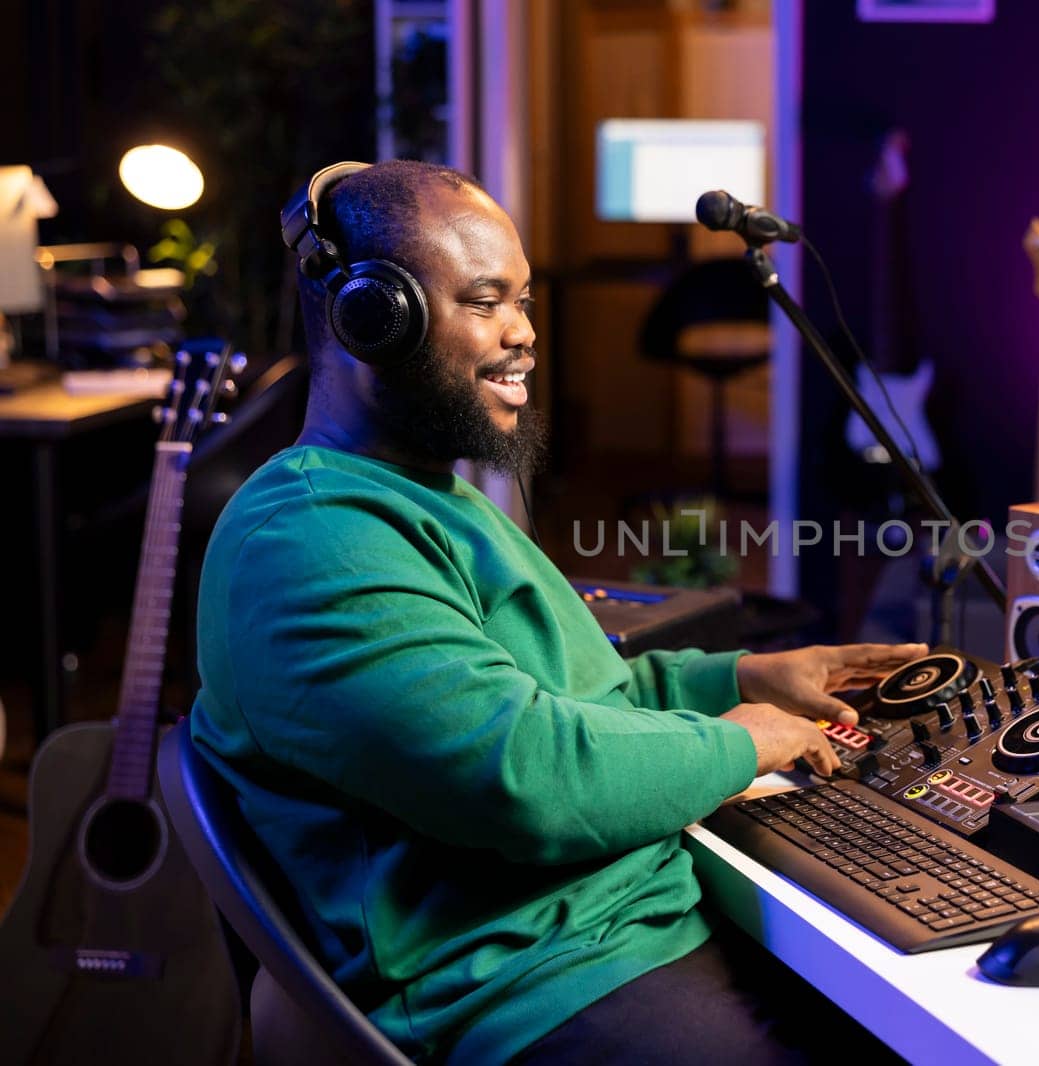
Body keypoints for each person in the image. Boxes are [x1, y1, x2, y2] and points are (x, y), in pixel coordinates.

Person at [190, 159, 924, 1063]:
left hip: (615, 931)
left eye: (524, 301)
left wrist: (735, 679)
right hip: (534, 987)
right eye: (486, 302)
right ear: (371, 320)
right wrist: (745, 740)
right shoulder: (310, 540)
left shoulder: (421, 499)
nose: (525, 334)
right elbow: (526, 774)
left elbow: (569, 696)